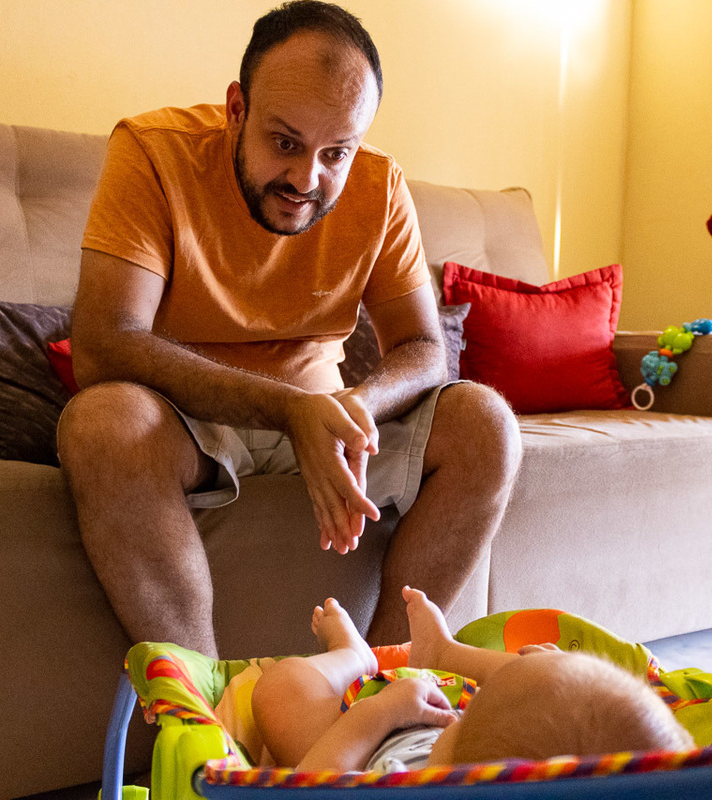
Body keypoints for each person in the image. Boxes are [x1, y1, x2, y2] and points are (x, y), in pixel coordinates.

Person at [57, 0, 522, 656]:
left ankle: (383, 689)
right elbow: (105, 344)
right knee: (102, 425)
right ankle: (205, 716)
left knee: (486, 425)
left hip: (326, 410)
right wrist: (290, 410)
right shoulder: (152, 152)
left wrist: (355, 408)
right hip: (189, 419)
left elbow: (423, 349)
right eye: (285, 143)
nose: (308, 178)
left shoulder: (380, 184)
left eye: (337, 152)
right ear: (236, 109)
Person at [248, 587, 694, 772]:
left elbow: (312, 785)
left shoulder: (404, 783)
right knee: (558, 697)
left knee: (278, 692)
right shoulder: (484, 740)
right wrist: (539, 672)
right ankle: (443, 652)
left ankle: (352, 657)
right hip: (451, 699)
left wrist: (379, 712)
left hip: (356, 721)